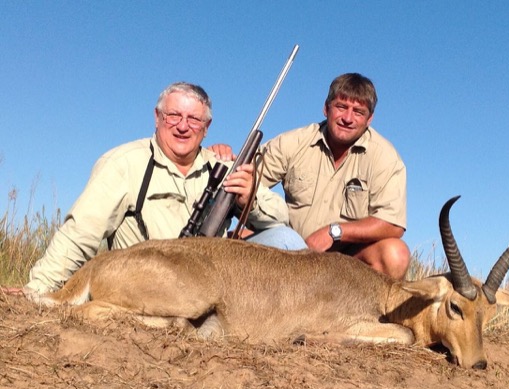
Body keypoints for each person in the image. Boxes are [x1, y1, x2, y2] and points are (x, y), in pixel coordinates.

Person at [4, 82, 305, 296]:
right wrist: (38, 289)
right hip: (147, 284)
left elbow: (281, 220)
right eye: (174, 116)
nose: (183, 126)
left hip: (211, 282)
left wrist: (249, 199)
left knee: (287, 240)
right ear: (157, 117)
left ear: (206, 128)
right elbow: (81, 232)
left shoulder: (224, 167)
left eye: (194, 119)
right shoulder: (124, 163)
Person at [259, 73, 410, 279]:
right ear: (326, 108)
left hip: (344, 265)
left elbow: (392, 224)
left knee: (395, 255)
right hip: (290, 253)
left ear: (369, 119)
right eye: (341, 107)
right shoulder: (294, 142)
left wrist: (334, 232)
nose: (347, 118)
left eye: (358, 112)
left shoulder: (385, 157)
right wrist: (221, 155)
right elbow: (248, 176)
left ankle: (354, 301)